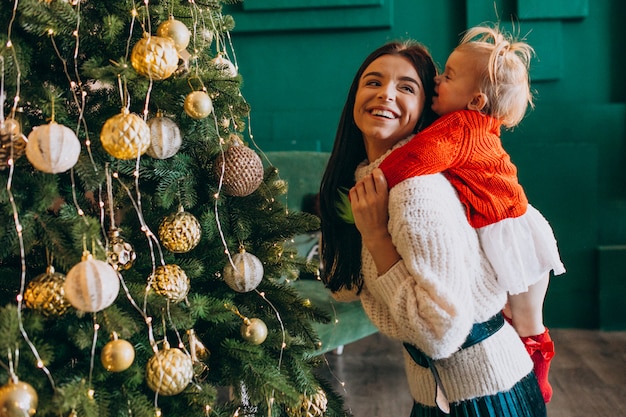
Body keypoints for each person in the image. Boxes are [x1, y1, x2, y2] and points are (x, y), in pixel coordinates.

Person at [319, 39, 546, 416]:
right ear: (355, 96)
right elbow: (347, 288)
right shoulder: (368, 182)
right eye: (373, 82)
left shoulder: (414, 192)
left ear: (426, 106)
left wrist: (375, 236)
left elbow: (441, 334)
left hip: (488, 395)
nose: (386, 94)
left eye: (406, 87)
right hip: (438, 394)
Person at [377, 25, 564, 403]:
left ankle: (536, 380)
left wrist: (377, 177)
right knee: (516, 316)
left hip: (514, 237)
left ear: (475, 101)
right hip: (512, 228)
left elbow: (417, 158)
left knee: (526, 321)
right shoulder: (474, 123)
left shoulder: (461, 126)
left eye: (447, 76)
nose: (437, 82)